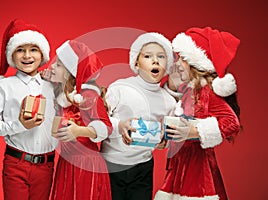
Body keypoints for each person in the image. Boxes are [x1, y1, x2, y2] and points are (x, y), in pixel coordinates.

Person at [154, 27, 241, 200]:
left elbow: (232, 123)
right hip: (179, 163)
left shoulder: (207, 92)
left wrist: (193, 131)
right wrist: (166, 136)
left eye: (182, 59)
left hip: (198, 168)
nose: (176, 64)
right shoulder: (187, 92)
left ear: (196, 64)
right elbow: (182, 122)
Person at [0, 19, 57, 200]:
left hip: (46, 165)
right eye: (20, 50)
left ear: (43, 54)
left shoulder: (54, 85)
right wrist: (19, 124)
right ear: (12, 56)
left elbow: (74, 102)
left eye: (33, 49)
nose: (27, 56)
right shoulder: (4, 85)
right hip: (16, 163)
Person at [100, 32, 176, 200]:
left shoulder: (168, 101)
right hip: (110, 164)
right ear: (136, 62)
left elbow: (168, 131)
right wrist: (119, 126)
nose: (155, 61)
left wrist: (164, 140)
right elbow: (99, 119)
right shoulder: (119, 88)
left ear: (168, 64)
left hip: (143, 167)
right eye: (148, 56)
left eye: (161, 57)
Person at [43, 40, 113, 200]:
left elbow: (106, 127)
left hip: (86, 165)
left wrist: (79, 130)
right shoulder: (63, 95)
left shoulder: (89, 97)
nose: (53, 66)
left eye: (59, 65)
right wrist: (47, 80)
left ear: (71, 72)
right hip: (68, 162)